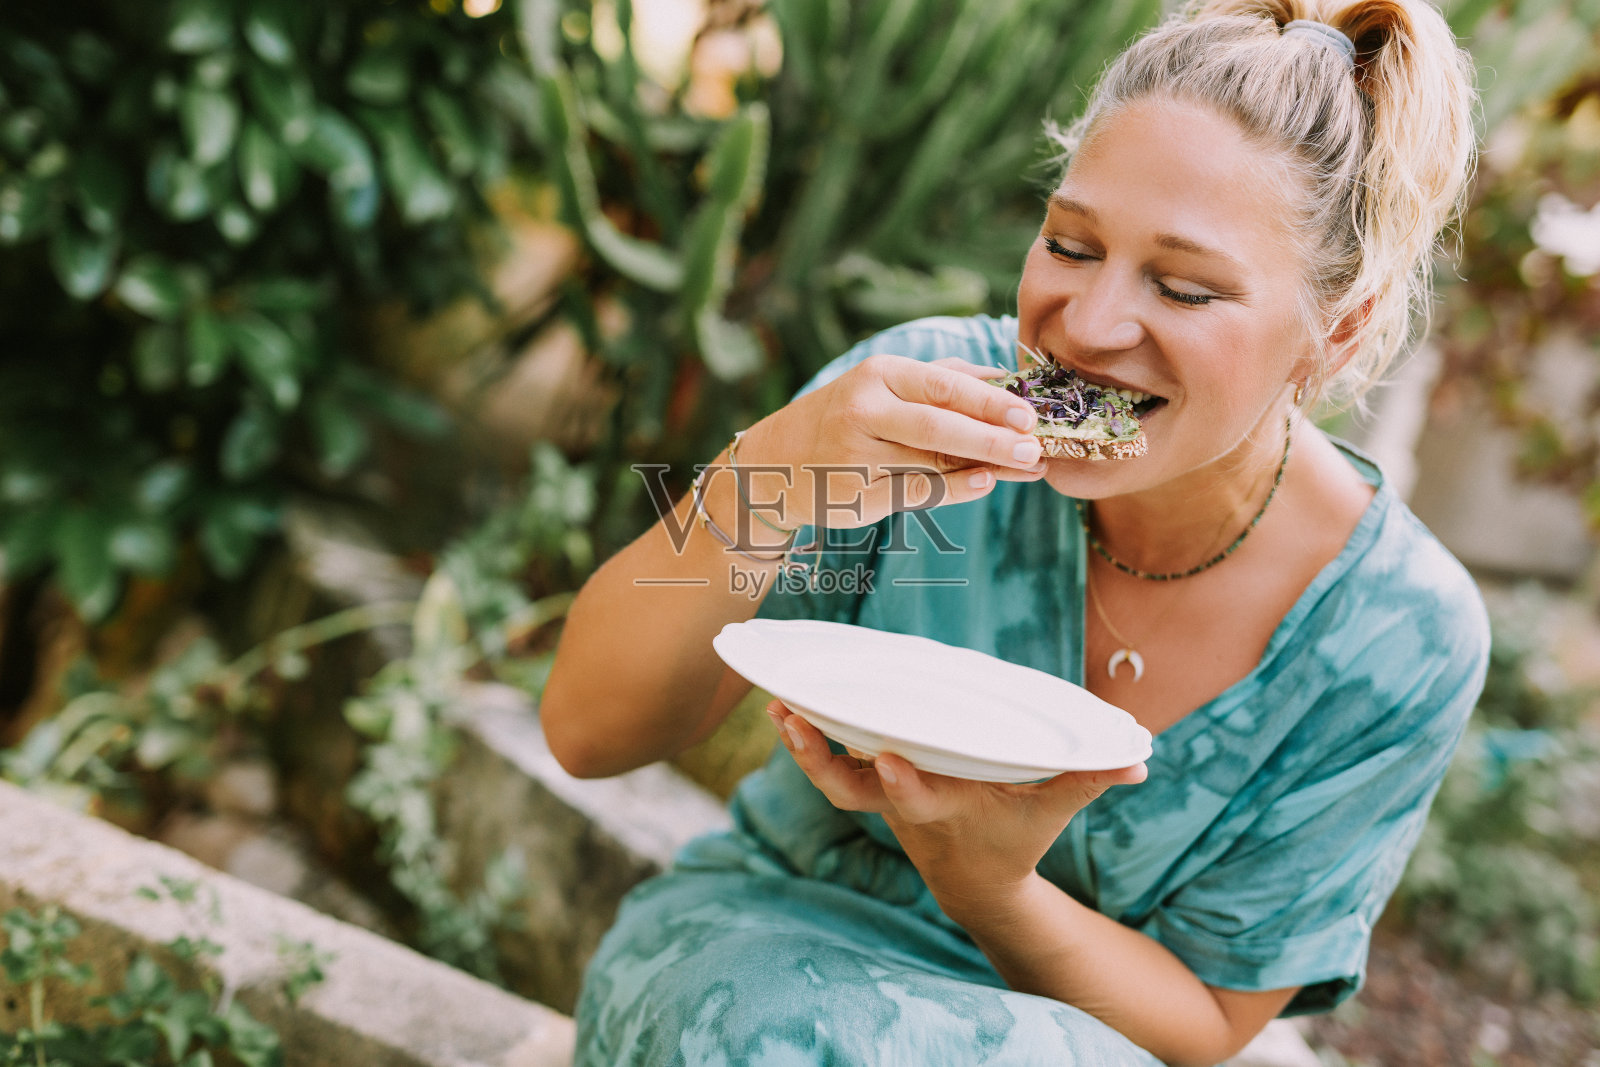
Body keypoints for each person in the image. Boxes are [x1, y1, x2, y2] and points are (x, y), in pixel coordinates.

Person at [541, 1, 1487, 1063]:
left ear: (1337, 330)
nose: (1087, 326)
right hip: (757, 966)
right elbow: (587, 731)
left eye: (1182, 288)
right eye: (1070, 246)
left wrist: (990, 886)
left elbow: (1211, 1015)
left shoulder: (1398, 633)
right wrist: (768, 469)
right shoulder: (912, 403)